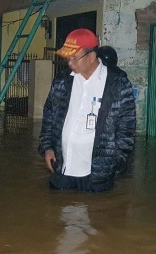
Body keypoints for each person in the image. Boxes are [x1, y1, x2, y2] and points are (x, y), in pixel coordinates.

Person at [38, 29, 136, 192]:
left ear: (91, 56)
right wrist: (47, 147)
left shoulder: (117, 85)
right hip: (62, 168)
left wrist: (114, 163)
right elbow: (49, 115)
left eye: (74, 58)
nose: (70, 63)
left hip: (97, 174)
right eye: (68, 58)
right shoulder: (62, 81)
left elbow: (127, 129)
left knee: (97, 213)